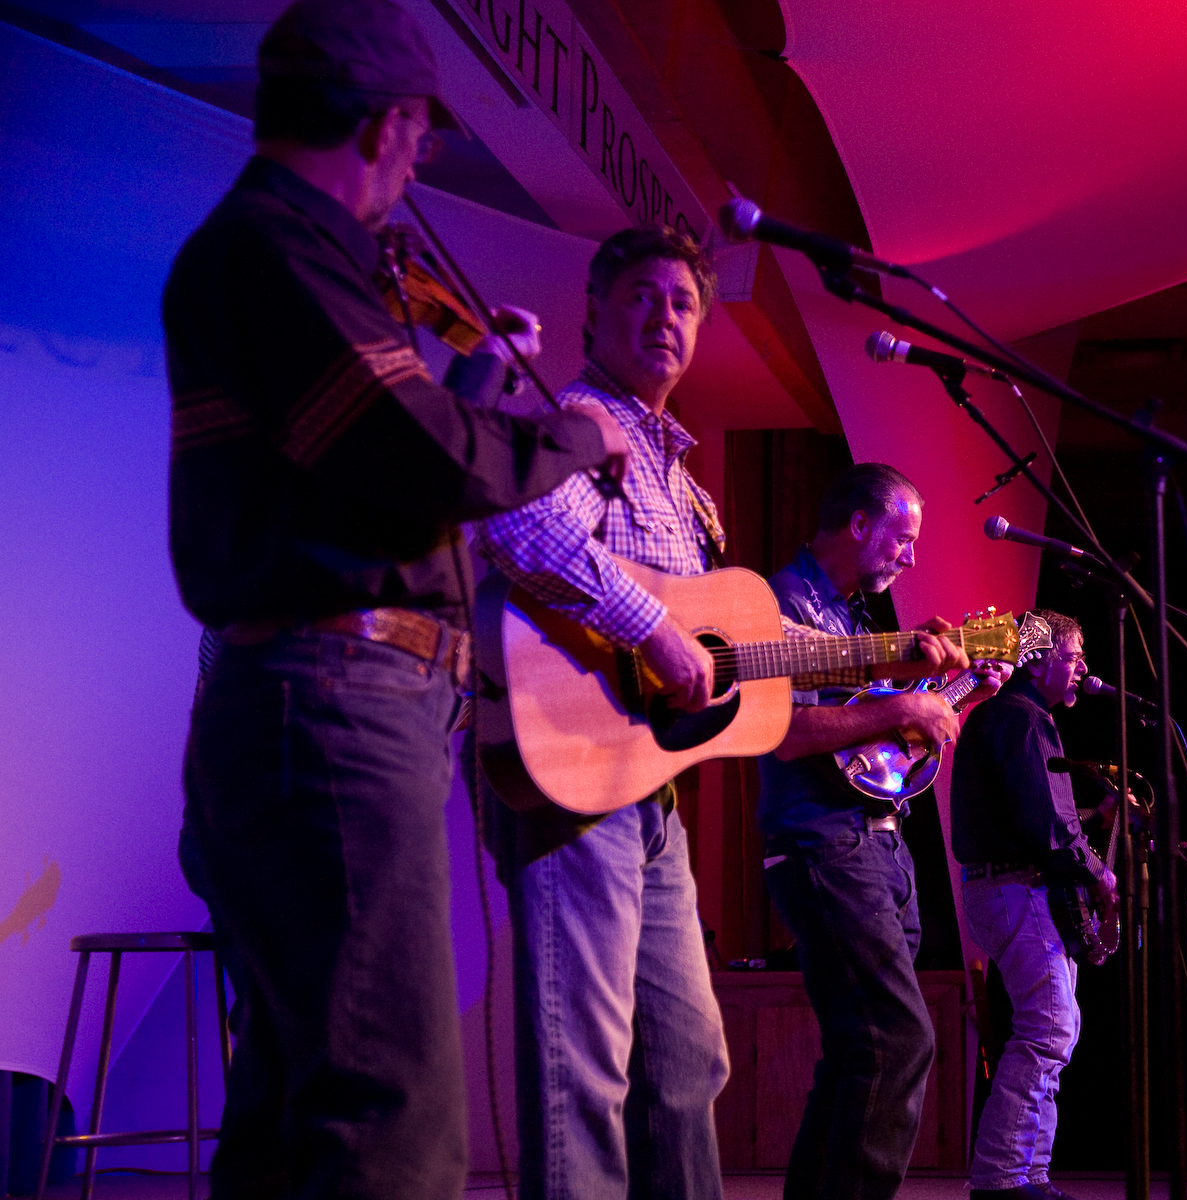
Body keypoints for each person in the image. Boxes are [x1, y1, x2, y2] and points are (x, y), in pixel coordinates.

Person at [167, 1, 627, 1195]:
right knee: (387, 1108)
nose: (419, 165)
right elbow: (424, 456)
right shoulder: (280, 245)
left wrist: (471, 384)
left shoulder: (270, 251)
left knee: (304, 1103)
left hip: (317, 698)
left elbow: (366, 463)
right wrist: (565, 434)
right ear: (390, 124)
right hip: (333, 700)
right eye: (422, 138)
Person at [469, 225, 737, 1200]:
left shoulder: (683, 480)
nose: (664, 315)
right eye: (642, 295)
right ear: (593, 309)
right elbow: (514, 523)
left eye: (683, 303)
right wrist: (653, 632)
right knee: (585, 1069)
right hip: (572, 773)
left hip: (649, 792)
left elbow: (713, 643)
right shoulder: (577, 417)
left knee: (688, 1064)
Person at [757, 463, 997, 1200]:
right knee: (900, 1041)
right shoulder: (783, 603)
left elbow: (881, 755)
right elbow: (786, 733)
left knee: (859, 1052)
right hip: (826, 845)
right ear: (858, 524)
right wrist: (903, 710)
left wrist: (961, 694)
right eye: (903, 537)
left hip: (878, 845)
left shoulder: (861, 618)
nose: (911, 557)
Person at [951, 610, 1117, 1200]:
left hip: (1005, 887)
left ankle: (1028, 1174)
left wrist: (1094, 824)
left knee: (1055, 1031)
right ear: (1041, 659)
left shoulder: (1010, 718)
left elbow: (1034, 821)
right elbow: (1046, 827)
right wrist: (1103, 874)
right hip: (1014, 889)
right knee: (1049, 1030)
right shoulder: (1022, 720)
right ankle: (1001, 1179)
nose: (1083, 670)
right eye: (1075, 658)